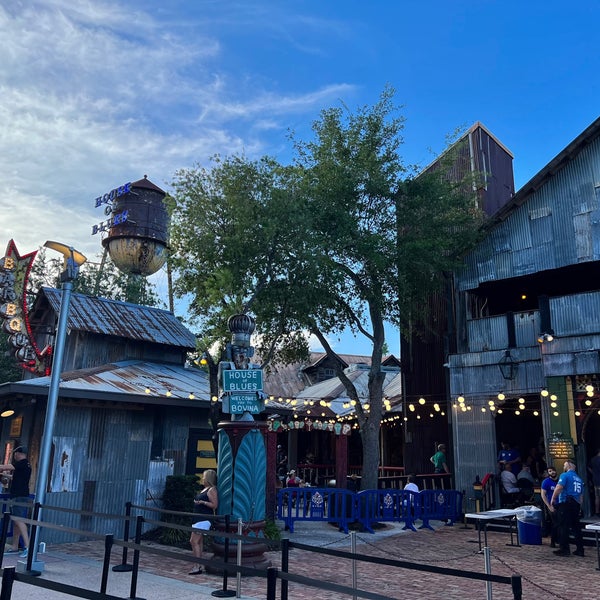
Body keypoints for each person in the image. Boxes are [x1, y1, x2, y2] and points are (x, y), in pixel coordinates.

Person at [550, 459, 584, 557]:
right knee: (576, 528)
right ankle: (580, 549)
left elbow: (559, 487)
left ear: (569, 465)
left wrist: (553, 499)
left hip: (566, 503)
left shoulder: (564, 475)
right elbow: (581, 497)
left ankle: (564, 549)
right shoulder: (579, 479)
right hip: (576, 504)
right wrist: (578, 506)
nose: (564, 467)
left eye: (565, 465)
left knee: (563, 526)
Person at [2, 445, 31, 557]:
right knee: (15, 521)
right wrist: (4, 475)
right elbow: (15, 478)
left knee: (19, 520)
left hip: (19, 496)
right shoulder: (26, 465)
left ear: (19, 454)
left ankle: (27, 547)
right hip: (20, 495)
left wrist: (1, 468)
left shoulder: (22, 463)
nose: (14, 455)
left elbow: (8, 466)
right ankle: (14, 546)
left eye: (15, 453)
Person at [189, 469, 218, 575]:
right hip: (198, 518)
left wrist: (203, 502)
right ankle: (199, 564)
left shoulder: (211, 490)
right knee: (199, 541)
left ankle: (197, 565)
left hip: (203, 519)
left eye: (204, 477)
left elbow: (214, 505)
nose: (203, 478)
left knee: (193, 541)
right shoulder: (205, 489)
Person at [540, 466, 559, 548]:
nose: (552, 472)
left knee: (560, 523)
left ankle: (559, 540)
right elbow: (543, 494)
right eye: (550, 471)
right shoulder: (546, 482)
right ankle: (553, 541)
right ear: (548, 473)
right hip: (552, 505)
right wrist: (548, 506)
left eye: (553, 470)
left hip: (561, 504)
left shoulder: (560, 481)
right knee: (555, 523)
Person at [589, 448, 600, 516]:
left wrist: (593, 473)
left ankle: (597, 512)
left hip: (595, 481)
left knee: (597, 497)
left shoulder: (593, 459)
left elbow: (588, 467)